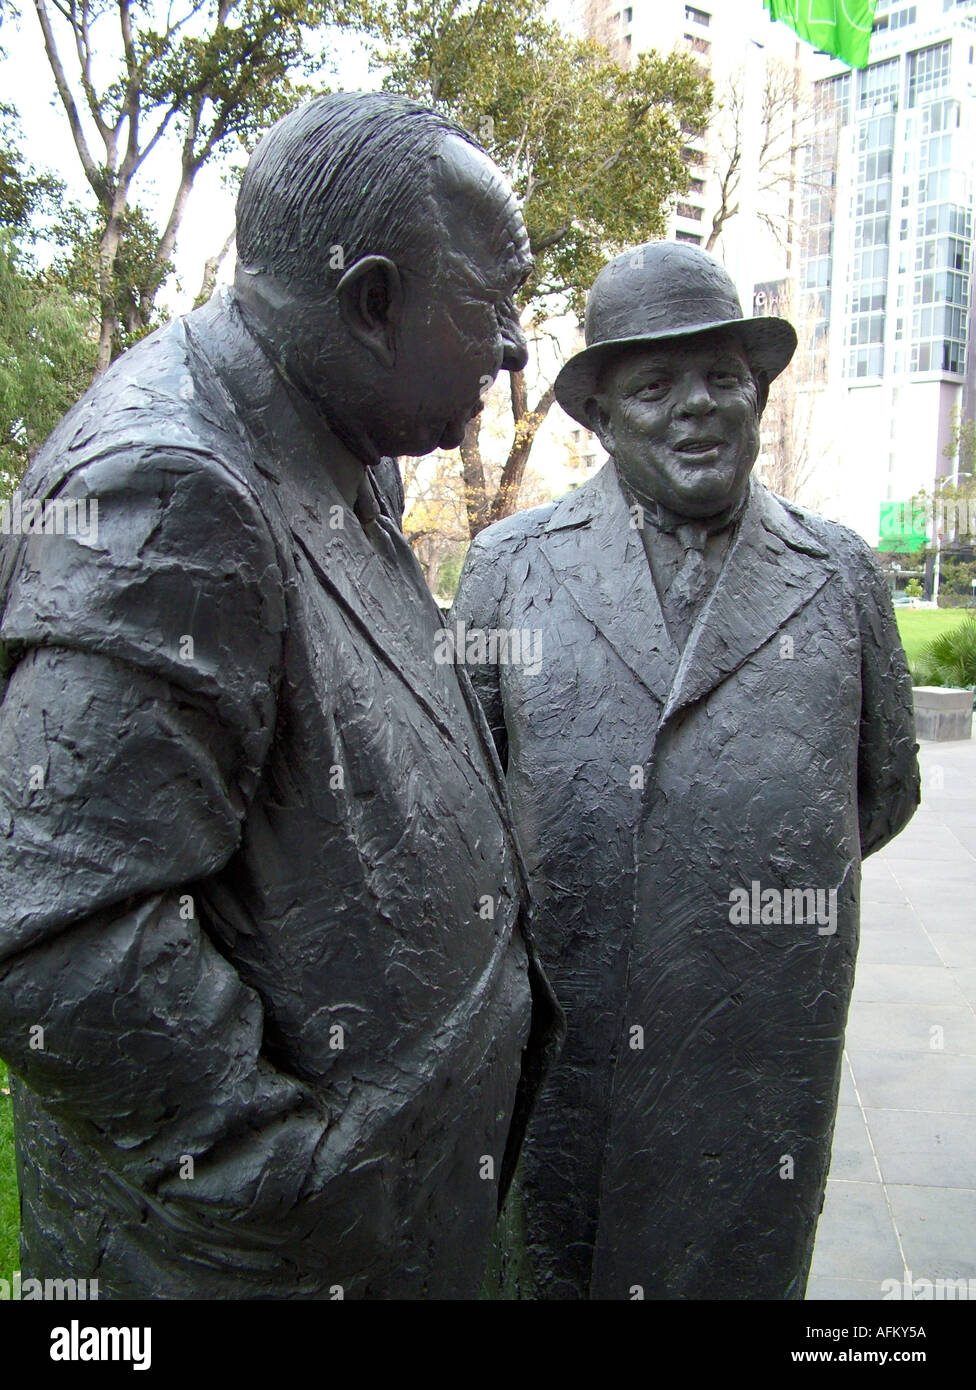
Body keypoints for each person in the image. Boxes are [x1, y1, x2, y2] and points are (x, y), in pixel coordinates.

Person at [0, 92, 561, 1300]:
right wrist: (285, 1176)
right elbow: (51, 931)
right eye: (489, 303)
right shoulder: (171, 482)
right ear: (369, 303)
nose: (514, 345)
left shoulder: (325, 432)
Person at [452, 240, 920, 1299]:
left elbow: (877, 791)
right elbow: (465, 785)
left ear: (757, 398)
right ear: (599, 418)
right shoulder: (511, 567)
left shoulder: (839, 572)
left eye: (723, 379)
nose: (698, 406)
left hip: (755, 1044)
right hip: (567, 1032)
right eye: (654, 385)